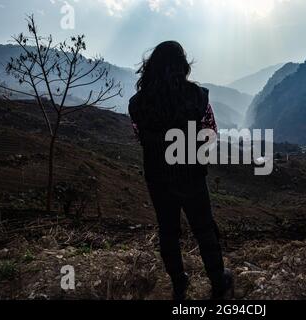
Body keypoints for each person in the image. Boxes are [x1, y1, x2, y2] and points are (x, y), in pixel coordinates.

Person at [128, 41, 234, 300]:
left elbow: (139, 134)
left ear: (151, 66)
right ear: (182, 65)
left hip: (157, 175)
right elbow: (210, 132)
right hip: (191, 173)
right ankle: (219, 283)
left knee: (168, 231)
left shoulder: (137, 103)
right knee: (204, 229)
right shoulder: (197, 96)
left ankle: (178, 283)